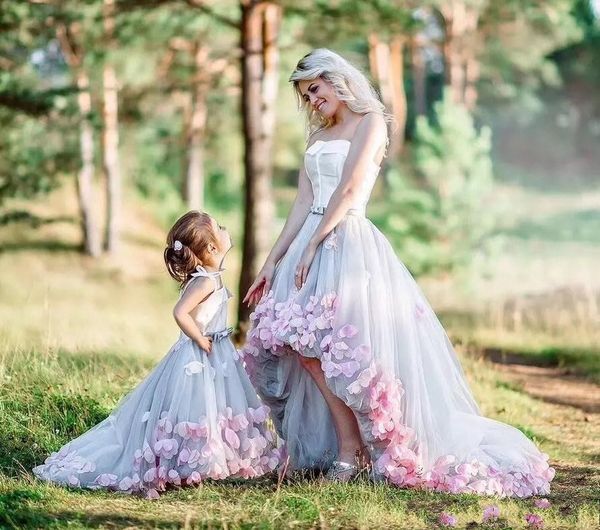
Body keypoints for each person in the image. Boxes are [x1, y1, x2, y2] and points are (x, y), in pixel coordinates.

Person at [241, 48, 554, 497]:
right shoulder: (316, 137)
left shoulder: (370, 122)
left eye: (315, 89)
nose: (312, 100)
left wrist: (315, 244)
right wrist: (274, 260)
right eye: (306, 95)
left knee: (346, 351)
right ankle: (347, 446)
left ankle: (365, 449)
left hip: (345, 241)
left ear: (336, 79)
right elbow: (300, 203)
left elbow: (349, 190)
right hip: (307, 243)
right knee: (301, 348)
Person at [33, 211, 281, 499]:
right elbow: (180, 313)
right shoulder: (206, 282)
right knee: (198, 405)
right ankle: (191, 461)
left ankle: (214, 458)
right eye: (220, 228)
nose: (226, 230)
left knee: (214, 405)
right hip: (199, 354)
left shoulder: (210, 277)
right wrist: (200, 338)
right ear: (212, 248)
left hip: (216, 350)